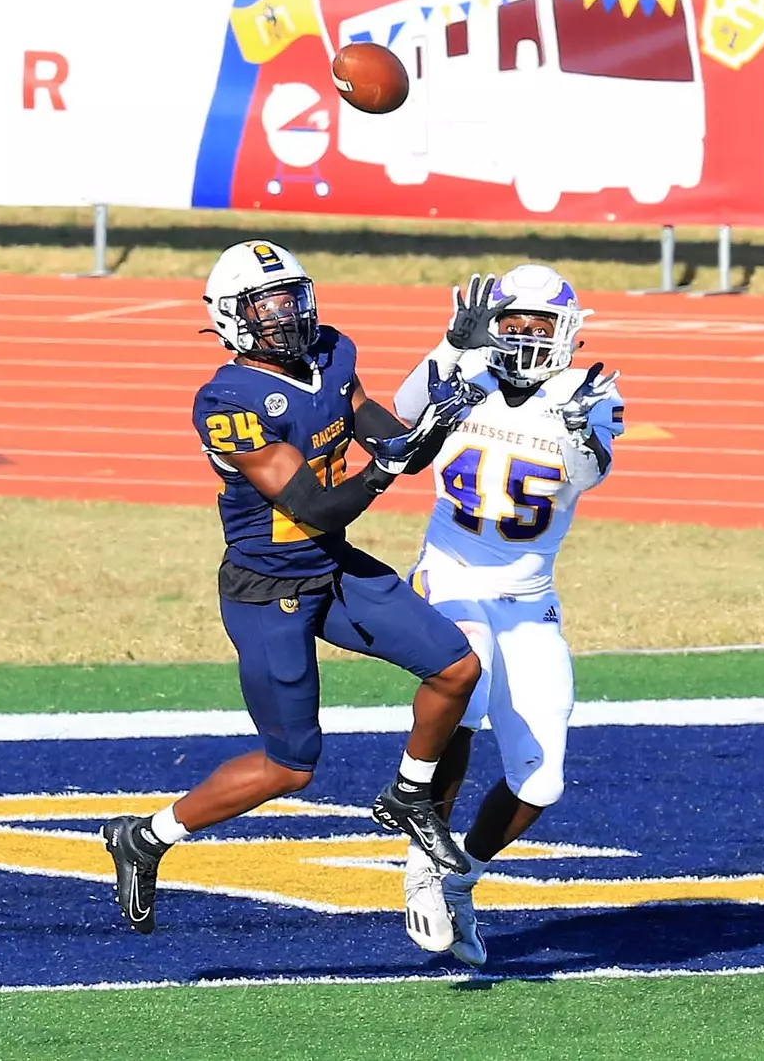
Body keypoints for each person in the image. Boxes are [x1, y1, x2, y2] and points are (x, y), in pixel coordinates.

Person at [100, 239, 483, 935]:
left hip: (330, 568)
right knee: (291, 766)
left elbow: (389, 435)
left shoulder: (332, 352)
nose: (285, 315)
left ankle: (409, 794)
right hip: (268, 589)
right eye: (266, 305)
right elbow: (316, 506)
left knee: (457, 669)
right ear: (230, 316)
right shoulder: (226, 398)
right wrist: (389, 465)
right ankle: (146, 837)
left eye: (291, 298)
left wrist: (450, 391)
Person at [392, 263, 625, 967]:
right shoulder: (465, 372)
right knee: (466, 689)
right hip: (451, 574)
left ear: (566, 333)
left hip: (529, 598)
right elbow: (402, 414)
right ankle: (420, 861)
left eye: (539, 325)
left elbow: (591, 472)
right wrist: (448, 347)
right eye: (511, 322)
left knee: (542, 779)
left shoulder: (589, 393)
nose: (523, 336)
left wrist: (582, 432)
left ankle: (462, 876)